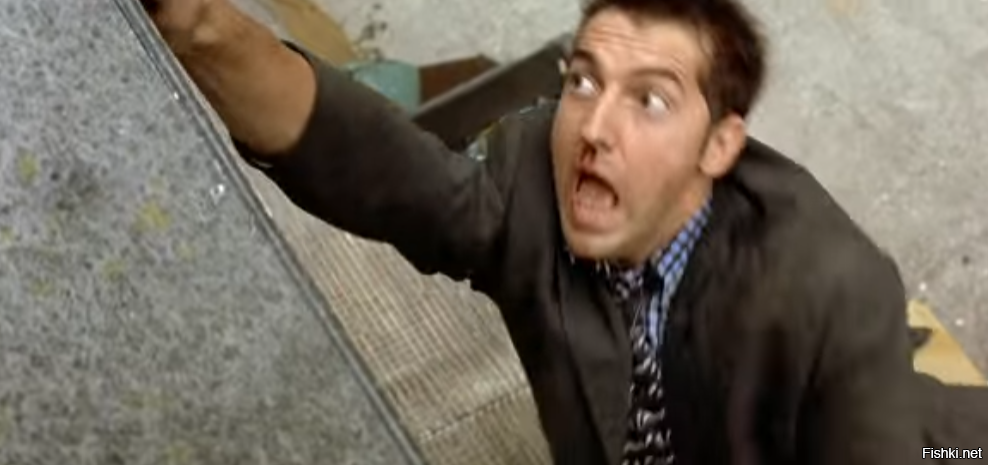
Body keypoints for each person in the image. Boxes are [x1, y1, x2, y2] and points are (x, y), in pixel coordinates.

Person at [145, 0, 987, 464]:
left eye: (650, 99)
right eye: (585, 81)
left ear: (717, 145)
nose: (596, 128)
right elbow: (388, 175)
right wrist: (201, 29)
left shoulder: (811, 283)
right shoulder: (540, 179)